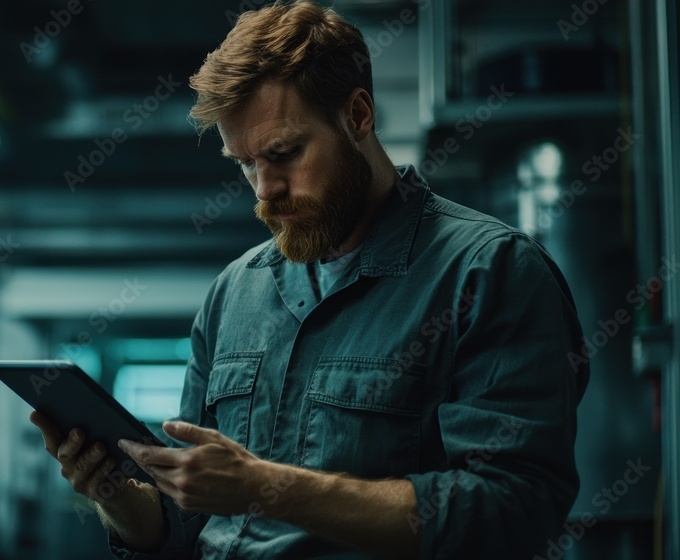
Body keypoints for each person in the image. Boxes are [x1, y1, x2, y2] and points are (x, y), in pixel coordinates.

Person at [30, 1, 589, 558]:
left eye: (284, 153)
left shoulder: (487, 274)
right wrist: (118, 498)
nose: (265, 188)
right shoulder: (234, 293)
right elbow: (188, 526)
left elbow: (511, 512)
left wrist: (268, 490)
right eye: (245, 163)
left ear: (359, 115)